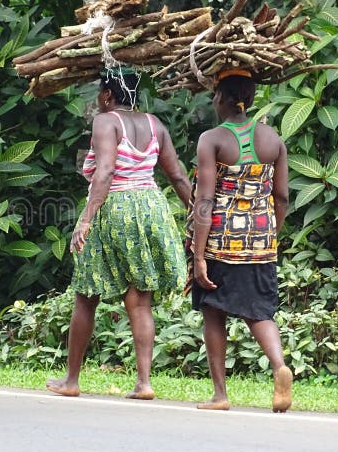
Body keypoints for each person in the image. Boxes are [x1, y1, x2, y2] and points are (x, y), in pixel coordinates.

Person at [46, 67, 192, 400]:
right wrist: (196, 213)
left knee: (86, 296)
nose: (97, 100)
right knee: (139, 301)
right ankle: (144, 382)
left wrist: (85, 220)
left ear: (108, 95)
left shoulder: (106, 121)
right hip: (151, 208)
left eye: (99, 93)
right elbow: (178, 177)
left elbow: (107, 171)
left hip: (115, 207)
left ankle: (72, 380)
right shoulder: (155, 123)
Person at [189, 68, 292, 412]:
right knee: (260, 312)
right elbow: (282, 197)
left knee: (213, 312)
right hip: (261, 240)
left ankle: (220, 394)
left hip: (221, 241)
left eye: (215, 95)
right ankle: (280, 367)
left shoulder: (212, 139)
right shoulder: (273, 139)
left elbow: (205, 200)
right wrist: (270, 233)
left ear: (223, 97)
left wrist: (199, 254)